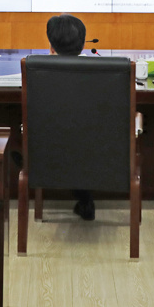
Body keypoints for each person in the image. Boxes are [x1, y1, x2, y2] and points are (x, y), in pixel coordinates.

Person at [45, 13, 98, 221]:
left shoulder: (37, 71)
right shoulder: (101, 73)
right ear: (83, 45)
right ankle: (85, 198)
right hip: (98, 151)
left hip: (47, 151)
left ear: (51, 47)